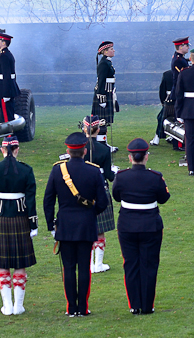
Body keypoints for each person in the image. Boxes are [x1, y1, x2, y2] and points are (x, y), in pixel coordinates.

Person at [43, 132, 109, 317]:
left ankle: (71, 308)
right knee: (84, 267)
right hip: (86, 225)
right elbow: (103, 202)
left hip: (64, 225)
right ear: (84, 151)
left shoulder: (58, 170)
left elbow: (48, 200)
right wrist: (89, 213)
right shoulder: (94, 170)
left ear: (68, 151)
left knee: (69, 267)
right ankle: (83, 308)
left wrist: (51, 225)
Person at [112, 138, 171, 315]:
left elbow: (116, 196)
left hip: (127, 226)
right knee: (149, 265)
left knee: (131, 265)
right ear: (146, 157)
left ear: (130, 158)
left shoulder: (121, 177)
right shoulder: (155, 177)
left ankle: (134, 305)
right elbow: (164, 198)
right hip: (150, 226)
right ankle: (147, 306)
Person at [0, 135, 38, 316]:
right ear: (17, 149)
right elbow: (30, 199)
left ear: (2, 149)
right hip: (20, 217)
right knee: (20, 262)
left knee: (3, 262)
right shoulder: (26, 170)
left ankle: (7, 306)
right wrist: (33, 224)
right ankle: (18, 306)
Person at [82, 115, 115, 273]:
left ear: (84, 129)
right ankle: (98, 264)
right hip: (100, 188)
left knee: (86, 228)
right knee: (99, 228)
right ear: (98, 129)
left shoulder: (79, 148)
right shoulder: (105, 149)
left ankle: (88, 264)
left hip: (81, 189)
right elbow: (109, 174)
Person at [91, 41, 118, 145]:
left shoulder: (107, 62)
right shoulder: (103, 63)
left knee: (105, 121)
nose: (113, 50)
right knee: (102, 120)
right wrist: (102, 97)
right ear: (105, 51)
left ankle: (104, 143)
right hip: (103, 93)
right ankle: (102, 144)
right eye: (111, 49)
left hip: (108, 91)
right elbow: (101, 80)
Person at [169, 37, 190, 151]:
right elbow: (183, 76)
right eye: (186, 45)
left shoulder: (180, 59)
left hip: (180, 91)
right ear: (181, 47)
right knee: (179, 118)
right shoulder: (178, 60)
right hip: (179, 92)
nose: (188, 47)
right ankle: (177, 144)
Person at [0, 32, 20, 123]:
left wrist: (6, 93)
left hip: (4, 90)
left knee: (6, 116)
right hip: (7, 88)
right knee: (8, 114)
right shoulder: (6, 54)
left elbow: (6, 76)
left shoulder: (4, 56)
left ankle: (9, 136)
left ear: (3, 42)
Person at [150, 70, 174, 146]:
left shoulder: (167, 74)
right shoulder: (185, 73)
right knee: (162, 117)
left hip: (170, 100)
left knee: (161, 118)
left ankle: (157, 137)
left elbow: (162, 90)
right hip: (182, 101)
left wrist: (163, 102)